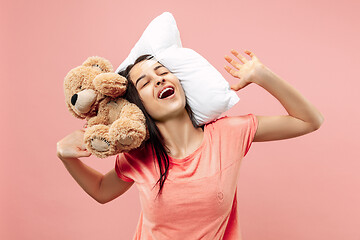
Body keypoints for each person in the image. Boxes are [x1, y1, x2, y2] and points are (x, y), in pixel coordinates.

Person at [56, 49, 324, 239]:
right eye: (145, 82)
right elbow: (102, 190)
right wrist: (66, 156)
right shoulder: (139, 155)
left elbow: (308, 121)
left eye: (162, 73)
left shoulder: (228, 133)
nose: (159, 79)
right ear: (139, 106)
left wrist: (262, 76)